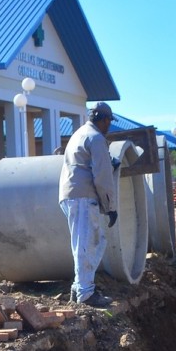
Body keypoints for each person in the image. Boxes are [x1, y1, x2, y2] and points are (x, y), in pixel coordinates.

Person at [58, 102, 119, 308]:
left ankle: (79, 287)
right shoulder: (96, 138)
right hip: (82, 196)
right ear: (103, 119)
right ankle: (85, 293)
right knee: (88, 243)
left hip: (71, 194)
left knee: (88, 241)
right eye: (109, 122)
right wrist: (110, 206)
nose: (109, 126)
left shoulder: (79, 133)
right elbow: (102, 175)